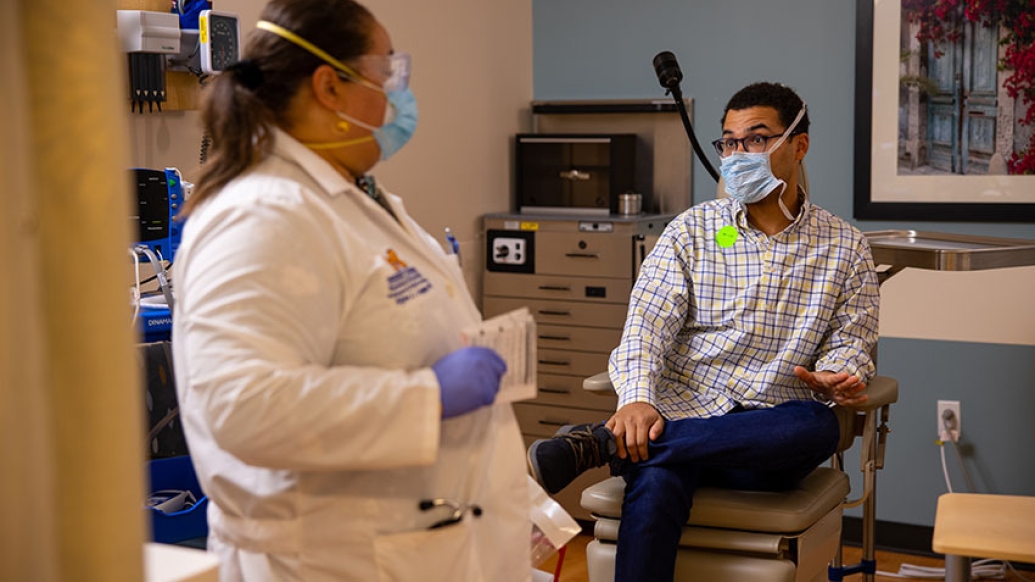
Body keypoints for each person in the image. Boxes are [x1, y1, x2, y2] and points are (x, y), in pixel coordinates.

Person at [171, 1, 530, 579]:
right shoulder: (261, 215)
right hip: (331, 559)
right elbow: (241, 406)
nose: (397, 99)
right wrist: (427, 397)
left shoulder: (353, 197)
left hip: (418, 540)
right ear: (329, 87)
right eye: (386, 75)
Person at [528, 82, 880, 581]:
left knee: (814, 425)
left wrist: (838, 374)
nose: (738, 154)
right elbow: (645, 327)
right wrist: (634, 400)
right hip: (680, 409)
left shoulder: (845, 247)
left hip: (763, 441)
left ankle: (602, 445)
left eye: (756, 139)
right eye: (729, 142)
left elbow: (852, 339)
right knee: (657, 471)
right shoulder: (690, 232)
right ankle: (642, 441)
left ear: (798, 146)